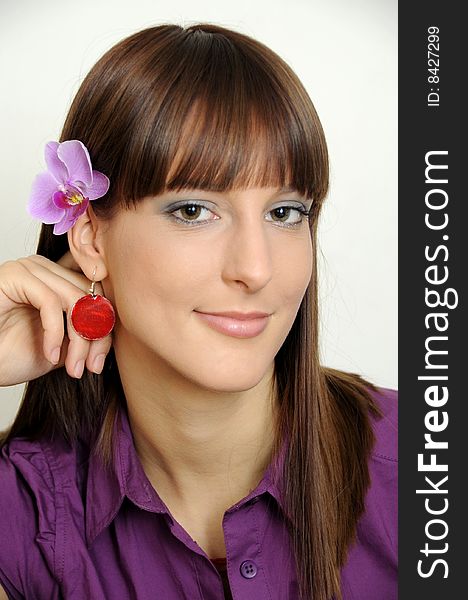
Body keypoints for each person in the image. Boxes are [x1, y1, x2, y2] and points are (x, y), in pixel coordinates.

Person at [0, 22, 397, 600]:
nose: (255, 269)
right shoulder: (24, 515)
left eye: (286, 212)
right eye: (193, 210)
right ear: (90, 238)